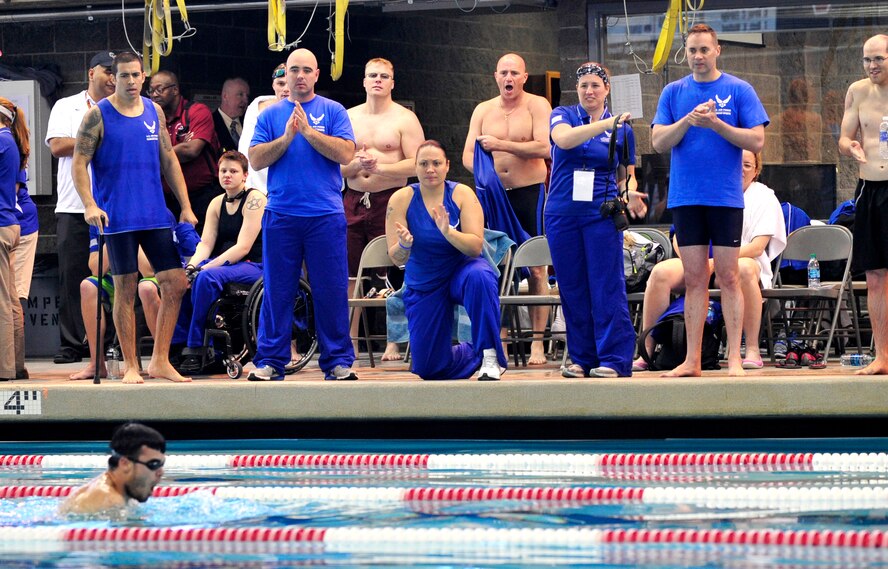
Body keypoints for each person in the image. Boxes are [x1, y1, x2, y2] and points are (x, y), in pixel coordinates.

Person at [71, 51, 197, 384]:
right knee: (125, 289)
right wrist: (88, 204)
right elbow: (79, 162)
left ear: (144, 77)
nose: (130, 81)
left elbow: (169, 159)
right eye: (123, 75)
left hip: (154, 214)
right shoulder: (98, 115)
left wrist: (184, 206)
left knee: (176, 283)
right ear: (114, 78)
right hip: (118, 217)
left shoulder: (154, 112)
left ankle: (159, 360)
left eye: (135, 75)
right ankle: (130, 365)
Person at [651, 23, 769, 377]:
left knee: (729, 276)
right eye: (692, 51)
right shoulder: (673, 92)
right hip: (687, 198)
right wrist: (688, 120)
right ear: (684, 54)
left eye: (704, 50)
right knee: (694, 278)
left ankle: (735, 357)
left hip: (725, 199)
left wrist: (716, 124)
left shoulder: (738, 89)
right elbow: (658, 142)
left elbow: (757, 142)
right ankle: (692, 359)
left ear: (718, 50)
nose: (698, 56)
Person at [248, 48, 357, 382]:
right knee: (278, 290)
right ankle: (270, 360)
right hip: (282, 214)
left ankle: (337, 360)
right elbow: (255, 158)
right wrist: (287, 137)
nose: (299, 76)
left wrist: (309, 133)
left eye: (306, 70)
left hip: (325, 215)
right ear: (285, 75)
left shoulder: (333, 110)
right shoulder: (269, 114)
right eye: (293, 70)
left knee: (331, 288)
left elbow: (346, 153)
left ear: (316, 74)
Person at [633, 150, 786, 371]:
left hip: (742, 260)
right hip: (700, 260)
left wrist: (717, 262)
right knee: (660, 272)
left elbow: (757, 246)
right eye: (737, 164)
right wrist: (698, 260)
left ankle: (751, 348)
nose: (741, 170)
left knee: (742, 269)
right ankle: (647, 348)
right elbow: (679, 237)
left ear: (756, 170)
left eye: (747, 165)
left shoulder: (764, 196)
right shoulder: (709, 189)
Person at [546, 63, 646, 378]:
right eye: (584, 86)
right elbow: (563, 141)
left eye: (595, 86)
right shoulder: (563, 115)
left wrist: (630, 193)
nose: (589, 91)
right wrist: (604, 124)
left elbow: (627, 177)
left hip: (600, 214)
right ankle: (582, 358)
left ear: (607, 89)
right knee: (572, 287)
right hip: (562, 213)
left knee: (606, 285)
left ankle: (614, 359)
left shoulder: (623, 129)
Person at [385, 140, 507, 380]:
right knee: (429, 368)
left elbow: (475, 247)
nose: (430, 169)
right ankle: (474, 352)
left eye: (436, 163)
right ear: (415, 167)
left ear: (447, 166)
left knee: (481, 276)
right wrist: (404, 245)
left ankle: (490, 353)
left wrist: (448, 232)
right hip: (425, 281)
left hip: (461, 271)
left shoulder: (462, 194)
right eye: (424, 164)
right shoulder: (400, 199)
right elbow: (395, 257)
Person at [462, 53, 552, 365]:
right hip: (492, 197)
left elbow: (545, 146)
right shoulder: (483, 110)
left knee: (537, 267)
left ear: (524, 77)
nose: (509, 78)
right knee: (494, 267)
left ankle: (538, 342)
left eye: (515, 72)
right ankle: (498, 337)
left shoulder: (537, 105)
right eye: (504, 72)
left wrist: (502, 145)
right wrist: (488, 179)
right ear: (496, 76)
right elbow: (467, 157)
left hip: (529, 194)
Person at [341, 57, 425, 361]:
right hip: (353, 199)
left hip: (391, 200)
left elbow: (418, 163)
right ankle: (349, 340)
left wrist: (382, 166)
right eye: (372, 75)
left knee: (391, 271)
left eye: (384, 76)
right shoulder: (347, 117)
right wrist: (355, 165)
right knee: (351, 274)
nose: (377, 80)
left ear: (392, 82)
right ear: (363, 81)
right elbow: (333, 165)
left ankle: (393, 340)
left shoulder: (405, 118)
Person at [45, 51, 116, 365]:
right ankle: (73, 343)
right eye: (107, 71)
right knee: (72, 275)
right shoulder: (67, 105)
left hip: (112, 205)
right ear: (91, 73)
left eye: (119, 72)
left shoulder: (123, 108)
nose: (113, 77)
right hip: (74, 205)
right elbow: (57, 146)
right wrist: (92, 137)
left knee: (114, 276)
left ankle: (110, 343)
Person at [178, 150, 265, 373]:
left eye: (233, 171)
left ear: (245, 175)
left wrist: (205, 267)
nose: (227, 175)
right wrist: (190, 268)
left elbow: (243, 247)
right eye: (223, 171)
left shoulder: (255, 199)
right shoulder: (216, 202)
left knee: (206, 277)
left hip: (255, 264)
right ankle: (177, 346)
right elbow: (205, 244)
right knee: (179, 279)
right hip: (228, 265)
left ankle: (196, 347)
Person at [838, 33, 888, 376]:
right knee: (874, 276)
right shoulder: (857, 91)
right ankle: (883, 356)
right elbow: (844, 136)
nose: (872, 66)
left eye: (879, 59)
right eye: (867, 60)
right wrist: (849, 147)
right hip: (870, 188)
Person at [148, 70, 221, 233]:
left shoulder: (197, 111)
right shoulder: (151, 118)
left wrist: (158, 158)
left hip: (201, 196)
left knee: (199, 249)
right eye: (151, 90)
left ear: (175, 89)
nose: (154, 95)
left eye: (159, 89)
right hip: (165, 199)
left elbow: (191, 150)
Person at [59, 422, 166, 516]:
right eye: (154, 464)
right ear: (125, 464)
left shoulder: (110, 488)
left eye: (162, 464)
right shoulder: (111, 502)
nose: (161, 472)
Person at [0, 98, 27, 382]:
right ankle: (16, 365)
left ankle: (4, 368)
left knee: (2, 302)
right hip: (7, 223)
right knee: (9, 299)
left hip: (1, 224)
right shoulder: (10, 141)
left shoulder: (3, 141)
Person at [239, 63, 289, 192]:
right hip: (256, 186)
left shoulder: (311, 108)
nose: (286, 89)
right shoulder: (256, 108)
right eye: (281, 84)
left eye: (289, 83)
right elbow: (245, 149)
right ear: (273, 85)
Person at [213, 77, 250, 153]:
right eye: (240, 95)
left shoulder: (250, 122)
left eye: (247, 96)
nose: (245, 100)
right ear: (225, 96)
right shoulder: (211, 122)